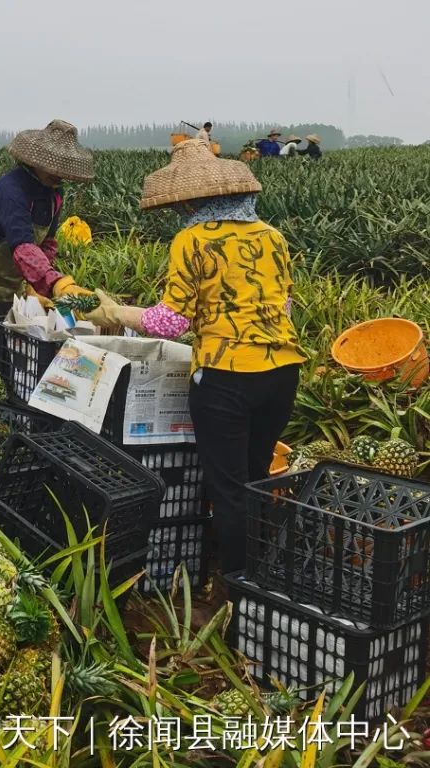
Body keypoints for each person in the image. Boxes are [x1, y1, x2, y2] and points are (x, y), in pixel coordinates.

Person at [83, 138, 304, 586]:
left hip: (227, 377)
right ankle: (263, 576)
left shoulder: (193, 239)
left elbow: (170, 322)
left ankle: (241, 589)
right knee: (257, 478)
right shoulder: (271, 236)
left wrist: (116, 312)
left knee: (228, 488)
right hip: (283, 372)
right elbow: (283, 305)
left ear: (191, 199)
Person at [0, 120, 96, 305]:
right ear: (35, 161)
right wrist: (55, 283)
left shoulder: (54, 193)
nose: (58, 173)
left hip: (8, 289)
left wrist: (37, 286)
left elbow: (48, 243)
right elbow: (22, 244)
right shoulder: (12, 190)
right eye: (52, 165)